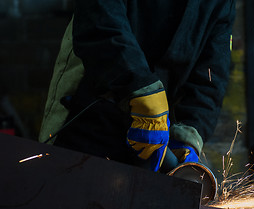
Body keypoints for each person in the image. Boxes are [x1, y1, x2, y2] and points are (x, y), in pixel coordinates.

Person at [39, 0, 236, 172]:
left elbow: (212, 71)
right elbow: (100, 19)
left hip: (160, 131)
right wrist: (138, 86)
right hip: (91, 110)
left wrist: (190, 131)